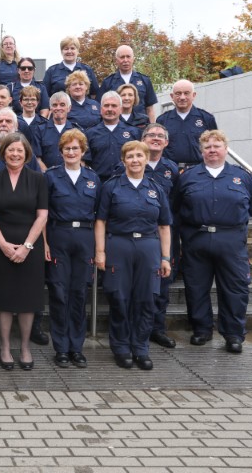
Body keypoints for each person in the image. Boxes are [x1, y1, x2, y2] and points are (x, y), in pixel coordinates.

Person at [174, 130, 252, 354]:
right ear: (201, 151)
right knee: (196, 287)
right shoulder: (188, 176)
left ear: (225, 149)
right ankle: (201, 330)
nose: (212, 150)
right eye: (207, 147)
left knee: (235, 289)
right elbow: (176, 209)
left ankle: (233, 334)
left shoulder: (241, 177)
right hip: (197, 239)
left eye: (217, 146)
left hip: (231, 240)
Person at [95, 141, 172, 370]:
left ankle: (140, 348)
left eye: (139, 155)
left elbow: (164, 225)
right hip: (119, 244)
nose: (135, 160)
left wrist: (165, 257)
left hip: (148, 246)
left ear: (146, 159)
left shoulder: (155, 188)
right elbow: (101, 221)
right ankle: (121, 347)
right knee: (119, 298)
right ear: (123, 160)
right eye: (130, 156)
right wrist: (100, 252)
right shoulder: (111, 187)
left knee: (146, 299)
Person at [0, 133, 48, 371]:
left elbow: (43, 215)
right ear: (3, 153)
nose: (15, 154)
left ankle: (25, 348)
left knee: (27, 299)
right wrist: (1, 243)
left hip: (29, 245)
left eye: (20, 150)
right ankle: (6, 347)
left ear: (27, 153)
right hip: (0, 244)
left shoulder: (38, 179)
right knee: (4, 297)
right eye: (11, 150)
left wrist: (27, 246)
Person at [43, 129, 99, 368]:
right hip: (59, 236)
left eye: (75, 148)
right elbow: (43, 213)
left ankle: (76, 347)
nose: (71, 152)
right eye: (67, 148)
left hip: (85, 238)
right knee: (58, 292)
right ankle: (61, 348)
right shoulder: (51, 176)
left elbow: (99, 218)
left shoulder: (93, 179)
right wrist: (44, 243)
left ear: (83, 151)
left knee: (79, 293)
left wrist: (98, 249)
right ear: (61, 152)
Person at [141, 123, 180, 349]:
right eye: (151, 135)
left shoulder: (171, 169)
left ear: (166, 142)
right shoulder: (132, 162)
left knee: (162, 283)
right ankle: (139, 328)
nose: (155, 138)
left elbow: (177, 203)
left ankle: (157, 328)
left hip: (164, 233)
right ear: (143, 139)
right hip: (138, 233)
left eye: (160, 136)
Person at [156, 79, 218, 169]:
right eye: (178, 93)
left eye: (186, 93)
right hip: (169, 170)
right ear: (172, 96)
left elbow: (214, 146)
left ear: (194, 95)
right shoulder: (162, 120)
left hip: (198, 170)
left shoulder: (207, 118)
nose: (182, 97)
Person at [83, 91, 142, 182]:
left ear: (121, 109)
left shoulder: (134, 132)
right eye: (106, 105)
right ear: (101, 109)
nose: (110, 109)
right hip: (99, 183)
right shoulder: (89, 134)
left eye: (114, 106)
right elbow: (84, 163)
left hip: (126, 183)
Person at [99, 45, 158, 121]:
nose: (125, 60)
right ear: (116, 60)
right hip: (116, 125)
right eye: (122, 57)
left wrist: (151, 128)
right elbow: (101, 107)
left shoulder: (144, 80)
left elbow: (150, 109)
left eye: (128, 56)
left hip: (140, 125)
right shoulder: (108, 82)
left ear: (133, 59)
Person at [35, 92, 79, 171]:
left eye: (62, 105)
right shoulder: (39, 130)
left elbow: (82, 159)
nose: (58, 108)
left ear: (69, 108)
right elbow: (37, 158)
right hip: (47, 178)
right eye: (55, 105)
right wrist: (49, 175)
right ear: (50, 108)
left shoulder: (77, 131)